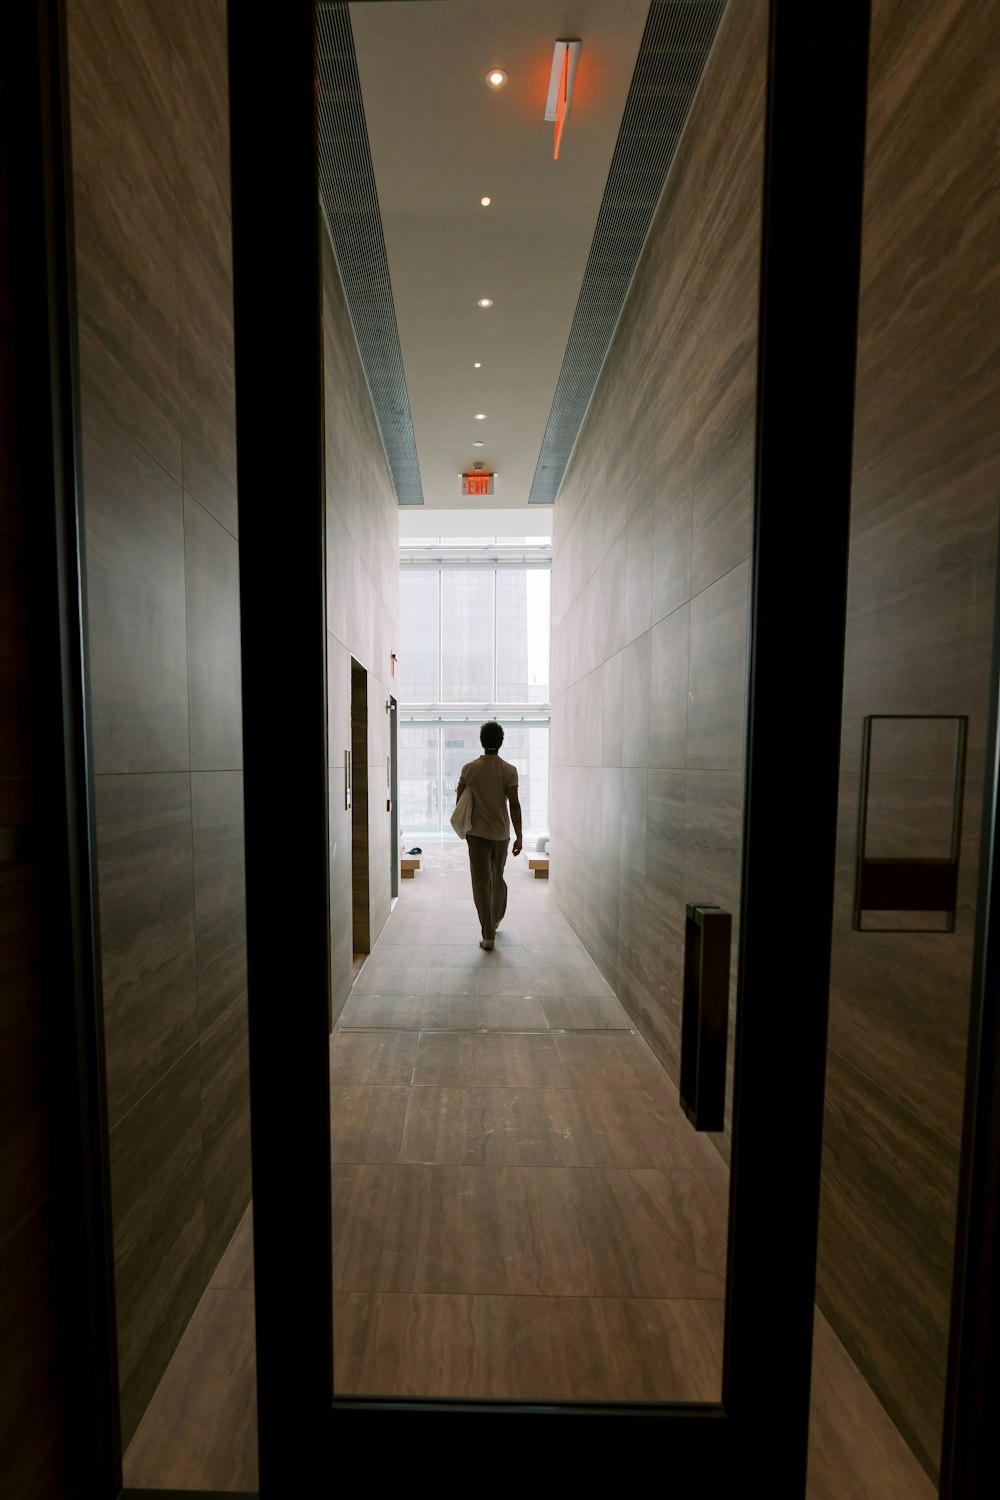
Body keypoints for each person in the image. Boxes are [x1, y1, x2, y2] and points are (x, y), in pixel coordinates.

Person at [455, 720, 523, 950]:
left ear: (482, 742)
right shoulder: (509, 770)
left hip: (477, 834)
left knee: (481, 883)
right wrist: (519, 836)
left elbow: (459, 802)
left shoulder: (469, 769)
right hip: (501, 834)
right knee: (497, 877)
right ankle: (495, 917)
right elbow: (514, 805)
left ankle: (488, 934)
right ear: (501, 743)